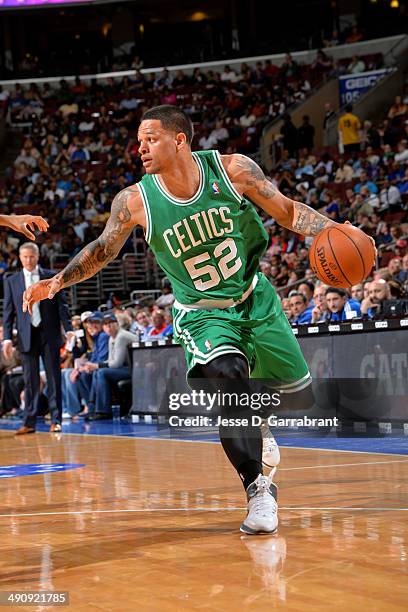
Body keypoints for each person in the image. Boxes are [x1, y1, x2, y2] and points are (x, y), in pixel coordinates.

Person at [23, 105, 369, 535]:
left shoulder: (234, 170)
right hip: (202, 314)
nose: (141, 147)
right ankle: (258, 489)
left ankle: (258, 419)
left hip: (254, 298)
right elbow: (100, 250)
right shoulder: (135, 201)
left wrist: (337, 230)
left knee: (298, 398)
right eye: (139, 140)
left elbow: (286, 211)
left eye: (151, 138)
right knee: (227, 377)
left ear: (180, 140)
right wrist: (56, 281)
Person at [3, 242, 73, 435]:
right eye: (25, 257)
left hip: (49, 333)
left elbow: (62, 306)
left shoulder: (51, 276)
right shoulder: (11, 280)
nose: (28, 260)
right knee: (30, 380)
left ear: (38, 256)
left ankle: (56, 419)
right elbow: (8, 313)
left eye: (31, 256)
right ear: (19, 257)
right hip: (26, 335)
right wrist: (7, 338)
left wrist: (68, 329)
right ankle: (29, 421)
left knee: (54, 378)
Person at [81, 313, 137, 420]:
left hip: (135, 369)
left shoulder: (121, 336)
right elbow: (111, 360)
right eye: (106, 325)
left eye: (111, 323)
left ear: (117, 324)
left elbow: (117, 363)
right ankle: (93, 408)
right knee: (98, 371)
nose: (108, 327)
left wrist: (97, 365)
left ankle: (103, 411)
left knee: (101, 372)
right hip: (125, 368)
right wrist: (96, 366)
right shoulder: (112, 338)